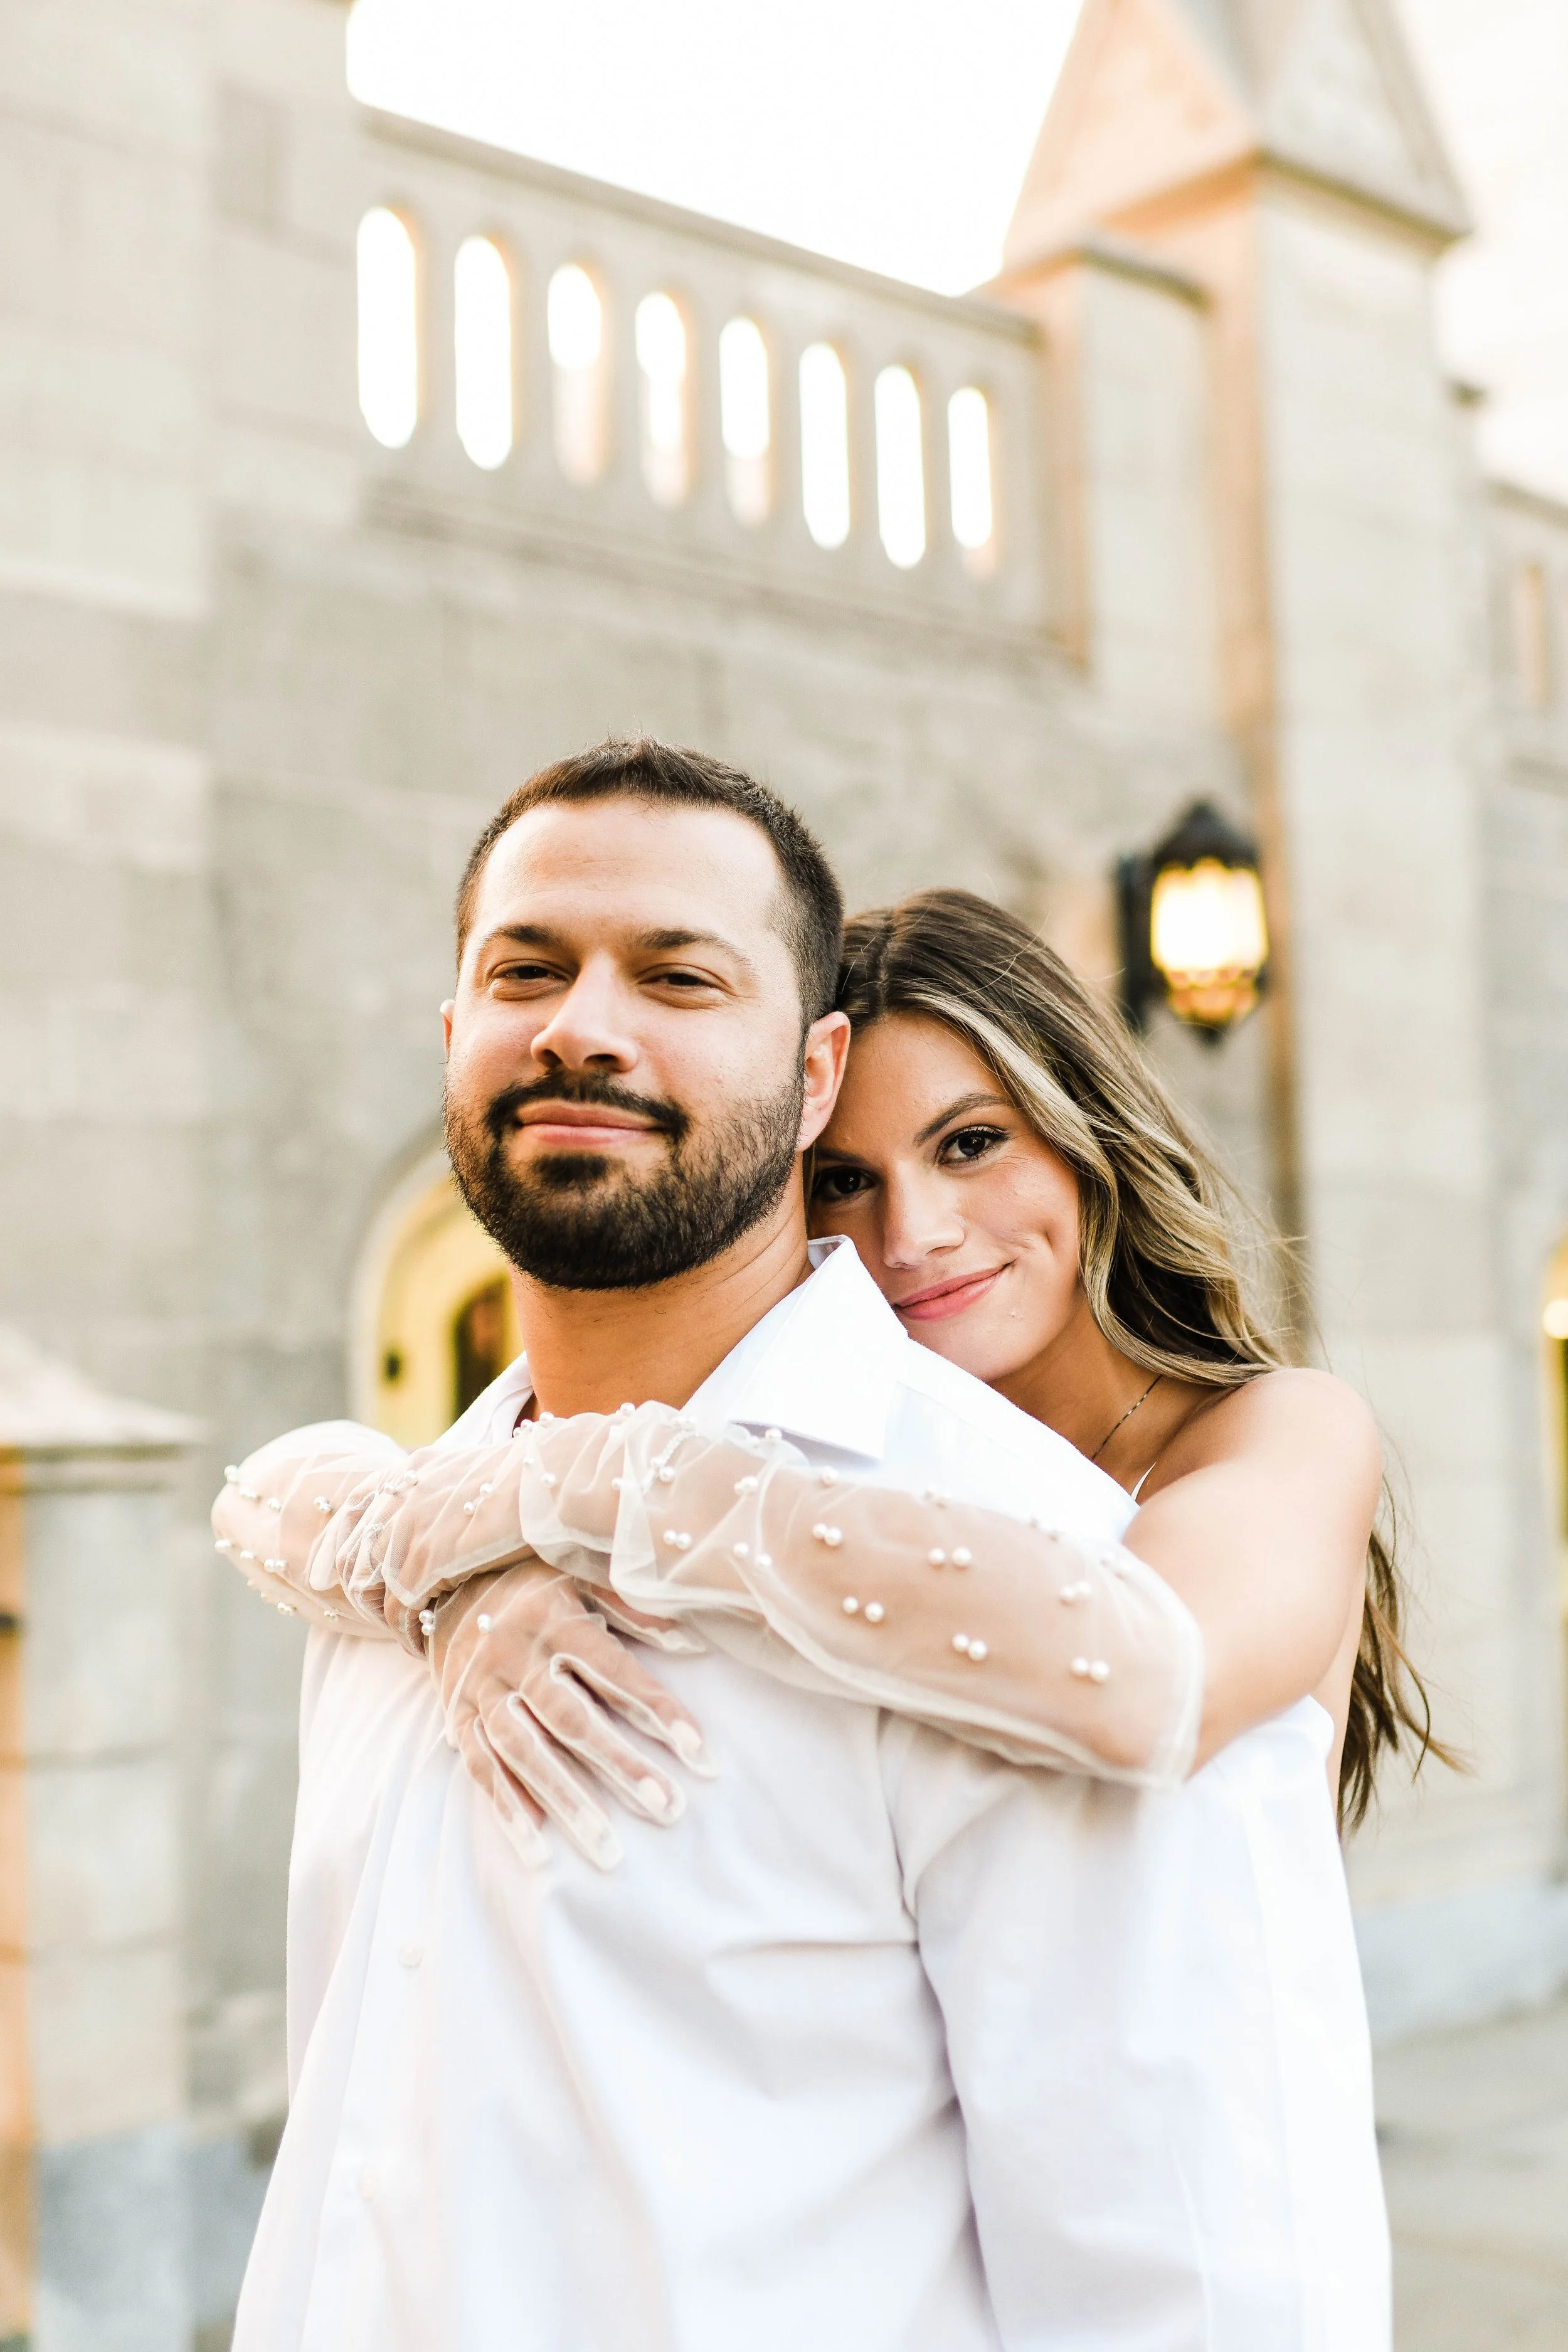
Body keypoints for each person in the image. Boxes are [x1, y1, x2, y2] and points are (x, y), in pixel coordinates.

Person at [220, 740, 1394, 2351]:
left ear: (805, 1069)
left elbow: (1200, 2284)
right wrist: (462, 1551)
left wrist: (587, 1490)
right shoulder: (414, 1547)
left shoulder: (1080, 1542)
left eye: (680, 975)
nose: (908, 1237)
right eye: (527, 970)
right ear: (452, 1034)